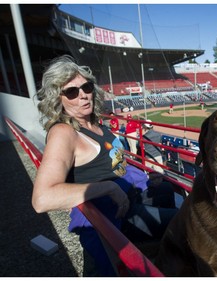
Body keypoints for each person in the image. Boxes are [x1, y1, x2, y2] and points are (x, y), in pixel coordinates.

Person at [32, 55, 177, 276]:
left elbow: (114, 165)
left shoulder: (94, 124)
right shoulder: (64, 132)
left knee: (166, 189)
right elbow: (42, 199)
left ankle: (162, 257)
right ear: (57, 98)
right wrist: (108, 187)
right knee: (182, 221)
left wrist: (147, 178)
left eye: (86, 87)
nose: (83, 95)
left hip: (129, 200)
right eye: (72, 92)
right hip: (113, 219)